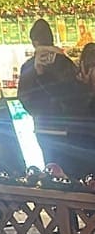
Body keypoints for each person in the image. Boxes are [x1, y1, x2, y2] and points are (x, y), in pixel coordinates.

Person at [17, 19, 83, 171]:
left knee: (51, 168)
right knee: (70, 169)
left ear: (34, 42)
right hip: (68, 128)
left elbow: (24, 97)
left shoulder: (28, 67)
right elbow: (76, 95)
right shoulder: (65, 63)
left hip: (43, 127)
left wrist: (38, 113)